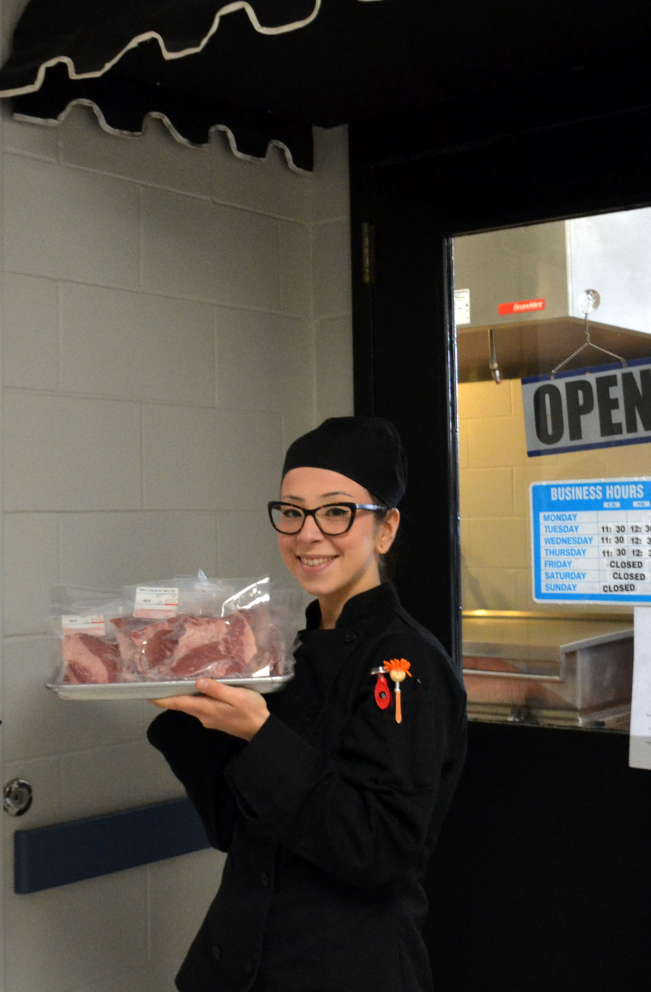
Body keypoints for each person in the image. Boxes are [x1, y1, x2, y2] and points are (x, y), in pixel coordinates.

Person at [149, 416, 467, 992]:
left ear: (386, 528)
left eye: (336, 510)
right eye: (292, 511)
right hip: (239, 961)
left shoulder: (404, 664)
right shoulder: (284, 652)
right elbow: (233, 827)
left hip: (343, 968)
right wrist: (189, 701)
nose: (308, 533)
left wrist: (261, 736)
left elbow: (380, 848)